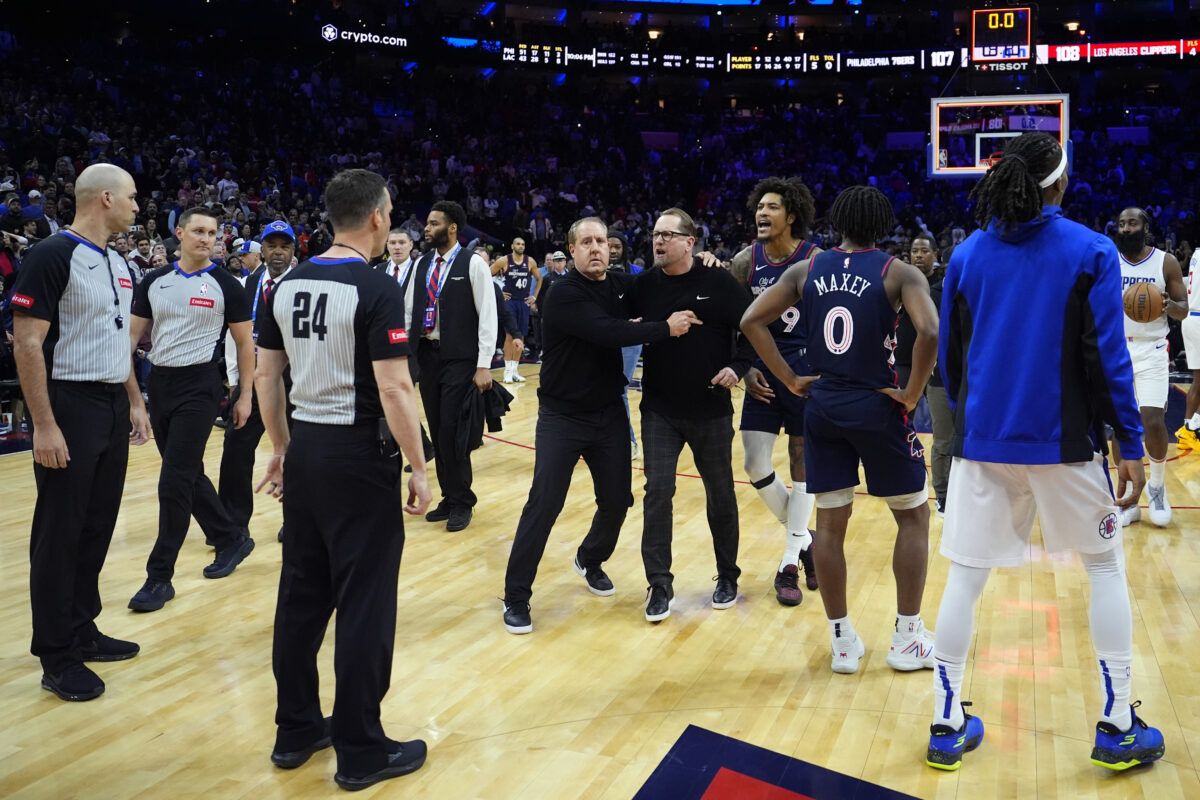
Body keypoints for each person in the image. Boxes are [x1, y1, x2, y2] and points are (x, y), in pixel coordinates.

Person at [921, 132, 1164, 772]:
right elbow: (1108, 358)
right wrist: (1131, 443)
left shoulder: (968, 253)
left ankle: (946, 723)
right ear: (1060, 182)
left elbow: (950, 358)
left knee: (965, 579)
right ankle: (1116, 724)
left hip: (983, 442)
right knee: (1104, 568)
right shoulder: (1092, 249)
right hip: (1065, 443)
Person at [254, 167, 432, 791]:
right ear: (379, 217)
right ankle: (360, 749)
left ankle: (296, 728)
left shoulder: (285, 282)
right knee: (364, 603)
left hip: (305, 450)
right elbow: (393, 387)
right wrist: (417, 464)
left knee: (300, 598)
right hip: (358, 456)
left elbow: (266, 377)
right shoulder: (377, 286)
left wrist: (281, 448)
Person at [741, 185, 938, 675]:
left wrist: (789, 378)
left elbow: (751, 320)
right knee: (912, 517)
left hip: (823, 406)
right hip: (876, 406)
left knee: (829, 524)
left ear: (838, 223)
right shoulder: (899, 272)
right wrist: (912, 394)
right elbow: (930, 332)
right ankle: (908, 638)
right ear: (883, 224)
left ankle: (842, 641)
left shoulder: (808, 269)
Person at [501, 217, 697, 634]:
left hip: (608, 413)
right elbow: (608, 333)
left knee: (618, 501)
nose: (595, 248)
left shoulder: (622, 285)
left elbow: (664, 283)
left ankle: (589, 558)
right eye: (585, 242)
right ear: (571, 251)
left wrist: (705, 261)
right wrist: (666, 328)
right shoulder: (562, 293)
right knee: (544, 504)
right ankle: (517, 597)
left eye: (601, 242)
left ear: (611, 249)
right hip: (561, 417)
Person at [10, 163, 152, 701]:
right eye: (134, 198)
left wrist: (134, 401)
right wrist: (43, 426)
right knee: (60, 531)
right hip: (67, 404)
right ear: (107, 199)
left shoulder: (116, 262)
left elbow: (120, 342)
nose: (139, 207)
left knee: (97, 525)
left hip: (112, 403)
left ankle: (82, 628)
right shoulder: (50, 255)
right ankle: (56, 653)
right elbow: (26, 345)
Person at [126, 207, 257, 612]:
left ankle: (159, 577)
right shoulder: (153, 281)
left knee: (173, 481)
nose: (206, 238)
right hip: (160, 384)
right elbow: (128, 342)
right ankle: (231, 536)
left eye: (212, 233)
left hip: (200, 387)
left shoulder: (227, 285)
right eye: (198, 231)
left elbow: (245, 345)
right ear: (179, 233)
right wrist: (134, 400)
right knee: (187, 474)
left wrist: (245, 395)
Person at [633, 208, 754, 622]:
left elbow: (756, 326)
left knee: (720, 494)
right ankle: (659, 585)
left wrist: (738, 367)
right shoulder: (644, 285)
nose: (658, 241)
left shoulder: (718, 280)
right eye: (655, 234)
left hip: (711, 409)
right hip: (660, 409)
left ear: (690, 242)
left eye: (668, 234)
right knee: (657, 494)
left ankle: (727, 576)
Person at [728, 177, 822, 606]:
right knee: (753, 463)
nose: (761, 214)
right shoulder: (746, 262)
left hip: (804, 373)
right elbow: (735, 324)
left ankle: (789, 562)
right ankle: (806, 539)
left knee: (802, 462)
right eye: (759, 207)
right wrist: (746, 371)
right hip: (763, 374)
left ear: (792, 216)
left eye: (771, 208)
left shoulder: (816, 260)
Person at [404, 201, 498, 532]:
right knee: (438, 428)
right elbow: (409, 310)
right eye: (426, 224)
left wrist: (483, 364)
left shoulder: (473, 264)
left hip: (461, 359)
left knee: (452, 432)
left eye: (433, 224)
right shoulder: (421, 264)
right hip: (427, 357)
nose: (426, 229)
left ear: (452, 227)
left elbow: (488, 315)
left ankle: (462, 501)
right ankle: (448, 496)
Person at [217, 220, 297, 538]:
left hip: (292, 382)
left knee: (296, 451)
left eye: (284, 246)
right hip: (253, 381)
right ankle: (232, 522)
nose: (277, 252)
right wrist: (237, 380)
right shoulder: (249, 283)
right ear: (260, 250)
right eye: (271, 246)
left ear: (293, 251)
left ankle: (296, 518)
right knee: (236, 446)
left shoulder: (303, 282)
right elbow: (236, 336)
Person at [1112, 207, 1187, 527]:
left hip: (1153, 348)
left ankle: (1156, 487)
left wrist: (1169, 305)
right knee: (1119, 424)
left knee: (1153, 419)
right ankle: (1128, 496)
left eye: (1132, 223)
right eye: (1121, 224)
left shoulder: (1165, 262)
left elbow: (1183, 310)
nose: (1126, 228)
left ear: (1145, 227)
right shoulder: (1109, 259)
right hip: (1117, 348)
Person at [908, 235, 953, 515]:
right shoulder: (932, 294)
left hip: (972, 379)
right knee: (943, 440)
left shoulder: (978, 294)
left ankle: (967, 492)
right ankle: (943, 495)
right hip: (936, 377)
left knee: (967, 439)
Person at [607, 233, 645, 458]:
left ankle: (630, 442)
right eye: (608, 245)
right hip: (604, 337)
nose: (612, 250)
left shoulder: (637, 273)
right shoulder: (597, 273)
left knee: (619, 389)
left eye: (617, 246)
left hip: (629, 339)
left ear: (625, 249)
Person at [490, 236, 541, 384]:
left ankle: (515, 371)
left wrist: (535, 297)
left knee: (522, 336)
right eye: (518, 244)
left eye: (523, 244)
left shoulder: (530, 261)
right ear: (512, 246)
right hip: (509, 302)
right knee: (510, 336)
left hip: (523, 302)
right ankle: (507, 371)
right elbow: (485, 275)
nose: (521, 246)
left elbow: (539, 279)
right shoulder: (504, 261)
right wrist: (498, 292)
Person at [1178, 247, 1200, 451]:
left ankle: (1188, 428)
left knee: (1198, 379)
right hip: (1198, 317)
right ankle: (1193, 426)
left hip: (1191, 318)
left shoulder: (1196, 254)